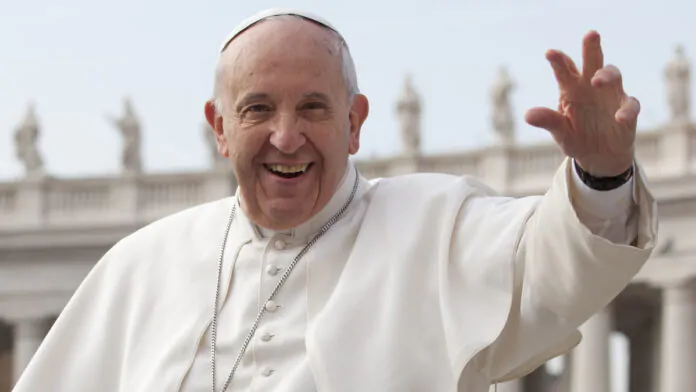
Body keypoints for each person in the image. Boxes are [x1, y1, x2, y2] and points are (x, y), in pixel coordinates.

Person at [12, 8, 657, 392]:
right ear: (219, 127)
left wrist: (601, 173)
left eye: (314, 108)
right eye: (258, 108)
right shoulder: (140, 265)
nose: (285, 136)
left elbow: (551, 265)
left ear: (355, 122)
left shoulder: (435, 226)